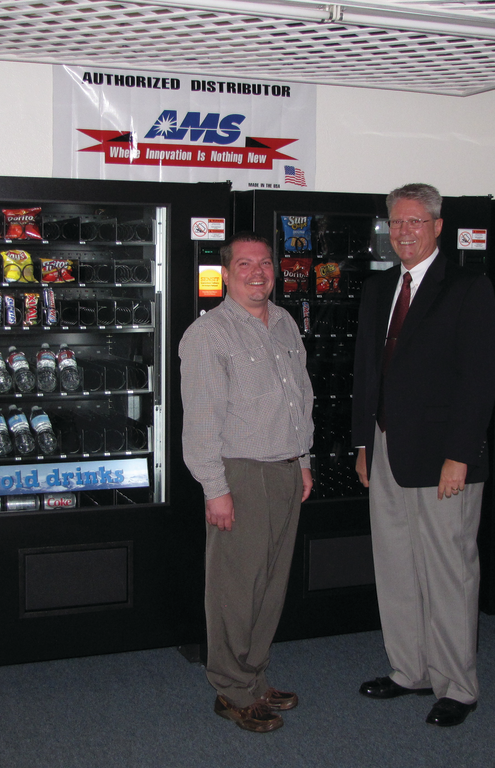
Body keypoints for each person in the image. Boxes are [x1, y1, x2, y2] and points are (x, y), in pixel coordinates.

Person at [352, 183, 495, 728]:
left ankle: (457, 686)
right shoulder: (378, 289)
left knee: (449, 569)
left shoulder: (467, 287)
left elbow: (480, 378)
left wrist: (461, 455)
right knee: (394, 564)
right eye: (396, 223)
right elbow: (367, 375)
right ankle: (408, 670)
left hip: (444, 456)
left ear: (438, 226)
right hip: (388, 447)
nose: (404, 232)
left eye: (415, 222)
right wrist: (365, 443)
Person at [179, 231, 314, 734]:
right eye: (245, 265)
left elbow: (302, 395)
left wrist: (303, 458)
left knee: (270, 585)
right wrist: (215, 488)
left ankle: (254, 678)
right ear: (227, 273)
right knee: (235, 589)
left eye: (264, 264)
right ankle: (231, 691)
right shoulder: (209, 334)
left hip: (284, 469)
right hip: (240, 472)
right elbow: (202, 421)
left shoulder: (283, 324)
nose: (257, 273)